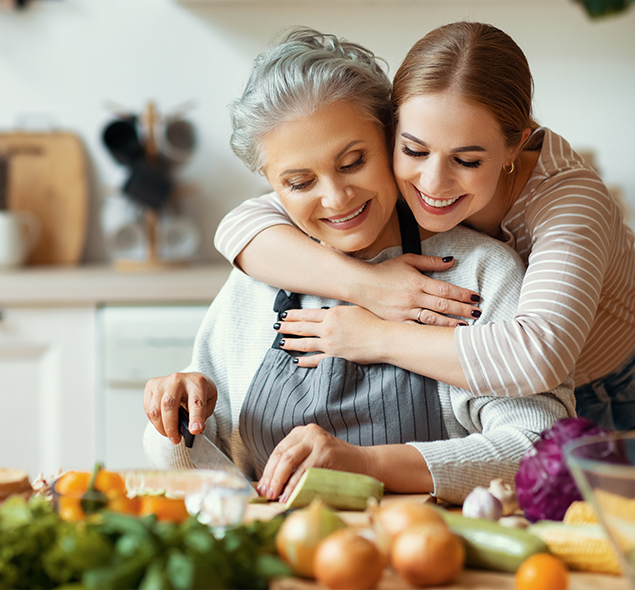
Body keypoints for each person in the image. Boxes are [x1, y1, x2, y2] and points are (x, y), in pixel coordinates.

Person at [213, 21, 635, 433]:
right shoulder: (378, 175)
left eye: (468, 160)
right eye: (413, 150)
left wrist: (375, 336)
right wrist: (370, 286)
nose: (431, 183)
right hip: (521, 400)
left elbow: (536, 356)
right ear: (393, 130)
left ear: (515, 145)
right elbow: (243, 224)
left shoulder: (570, 200)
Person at [143, 27, 574, 504]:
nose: (336, 198)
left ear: (390, 136)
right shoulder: (258, 277)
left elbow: (540, 449)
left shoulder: (477, 272)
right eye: (300, 182)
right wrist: (178, 423)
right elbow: (215, 474)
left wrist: (364, 465)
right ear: (271, 186)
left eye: (352, 161)